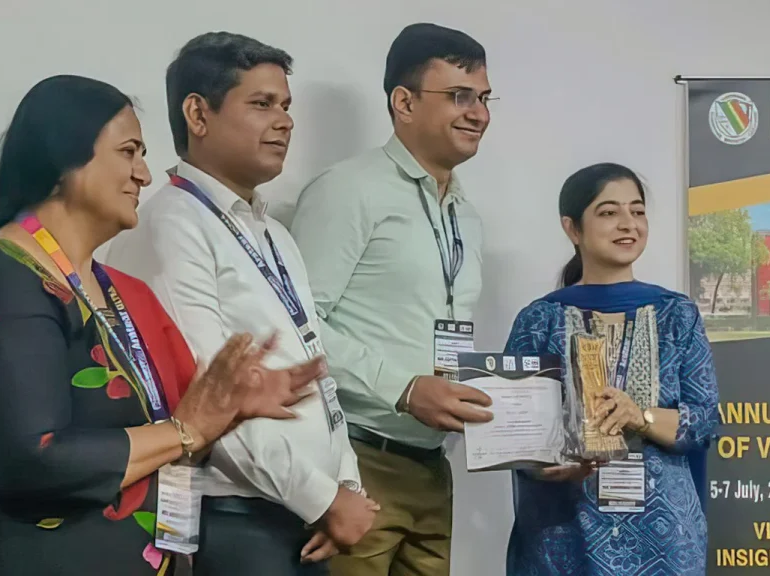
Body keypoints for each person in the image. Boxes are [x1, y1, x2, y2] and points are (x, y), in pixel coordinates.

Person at [0, 74, 326, 576]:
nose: (144, 174)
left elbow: (175, 424)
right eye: (128, 152)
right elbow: (34, 457)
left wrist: (228, 407)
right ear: (64, 161)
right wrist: (185, 430)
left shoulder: (121, 289)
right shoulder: (10, 276)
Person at [105, 32, 376, 575]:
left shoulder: (274, 233)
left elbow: (315, 372)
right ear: (198, 115)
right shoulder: (171, 225)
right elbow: (212, 393)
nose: (285, 121)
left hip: (301, 517)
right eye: (261, 104)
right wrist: (321, 499)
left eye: (286, 106)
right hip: (231, 516)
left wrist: (343, 483)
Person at [289, 22, 495, 576]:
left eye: (483, 98)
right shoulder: (348, 190)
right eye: (458, 96)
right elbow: (297, 327)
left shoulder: (466, 217)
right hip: (358, 463)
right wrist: (401, 388)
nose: (478, 113)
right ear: (403, 102)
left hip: (433, 464)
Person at [503, 163, 719, 575]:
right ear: (573, 228)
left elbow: (705, 420)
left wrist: (641, 416)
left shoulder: (677, 315)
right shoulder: (540, 320)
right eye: (608, 212)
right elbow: (514, 434)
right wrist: (542, 466)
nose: (628, 224)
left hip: (664, 540)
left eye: (637, 211)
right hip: (564, 537)